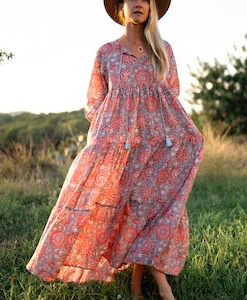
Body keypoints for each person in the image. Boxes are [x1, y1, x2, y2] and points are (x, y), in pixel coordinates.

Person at [26, 0, 204, 299]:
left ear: (151, 8)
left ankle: (154, 286)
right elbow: (95, 102)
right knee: (127, 207)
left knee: (152, 207)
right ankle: (150, 287)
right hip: (119, 145)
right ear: (121, 8)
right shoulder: (106, 53)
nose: (139, 3)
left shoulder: (163, 50)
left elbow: (171, 96)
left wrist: (172, 135)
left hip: (157, 144)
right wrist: (109, 135)